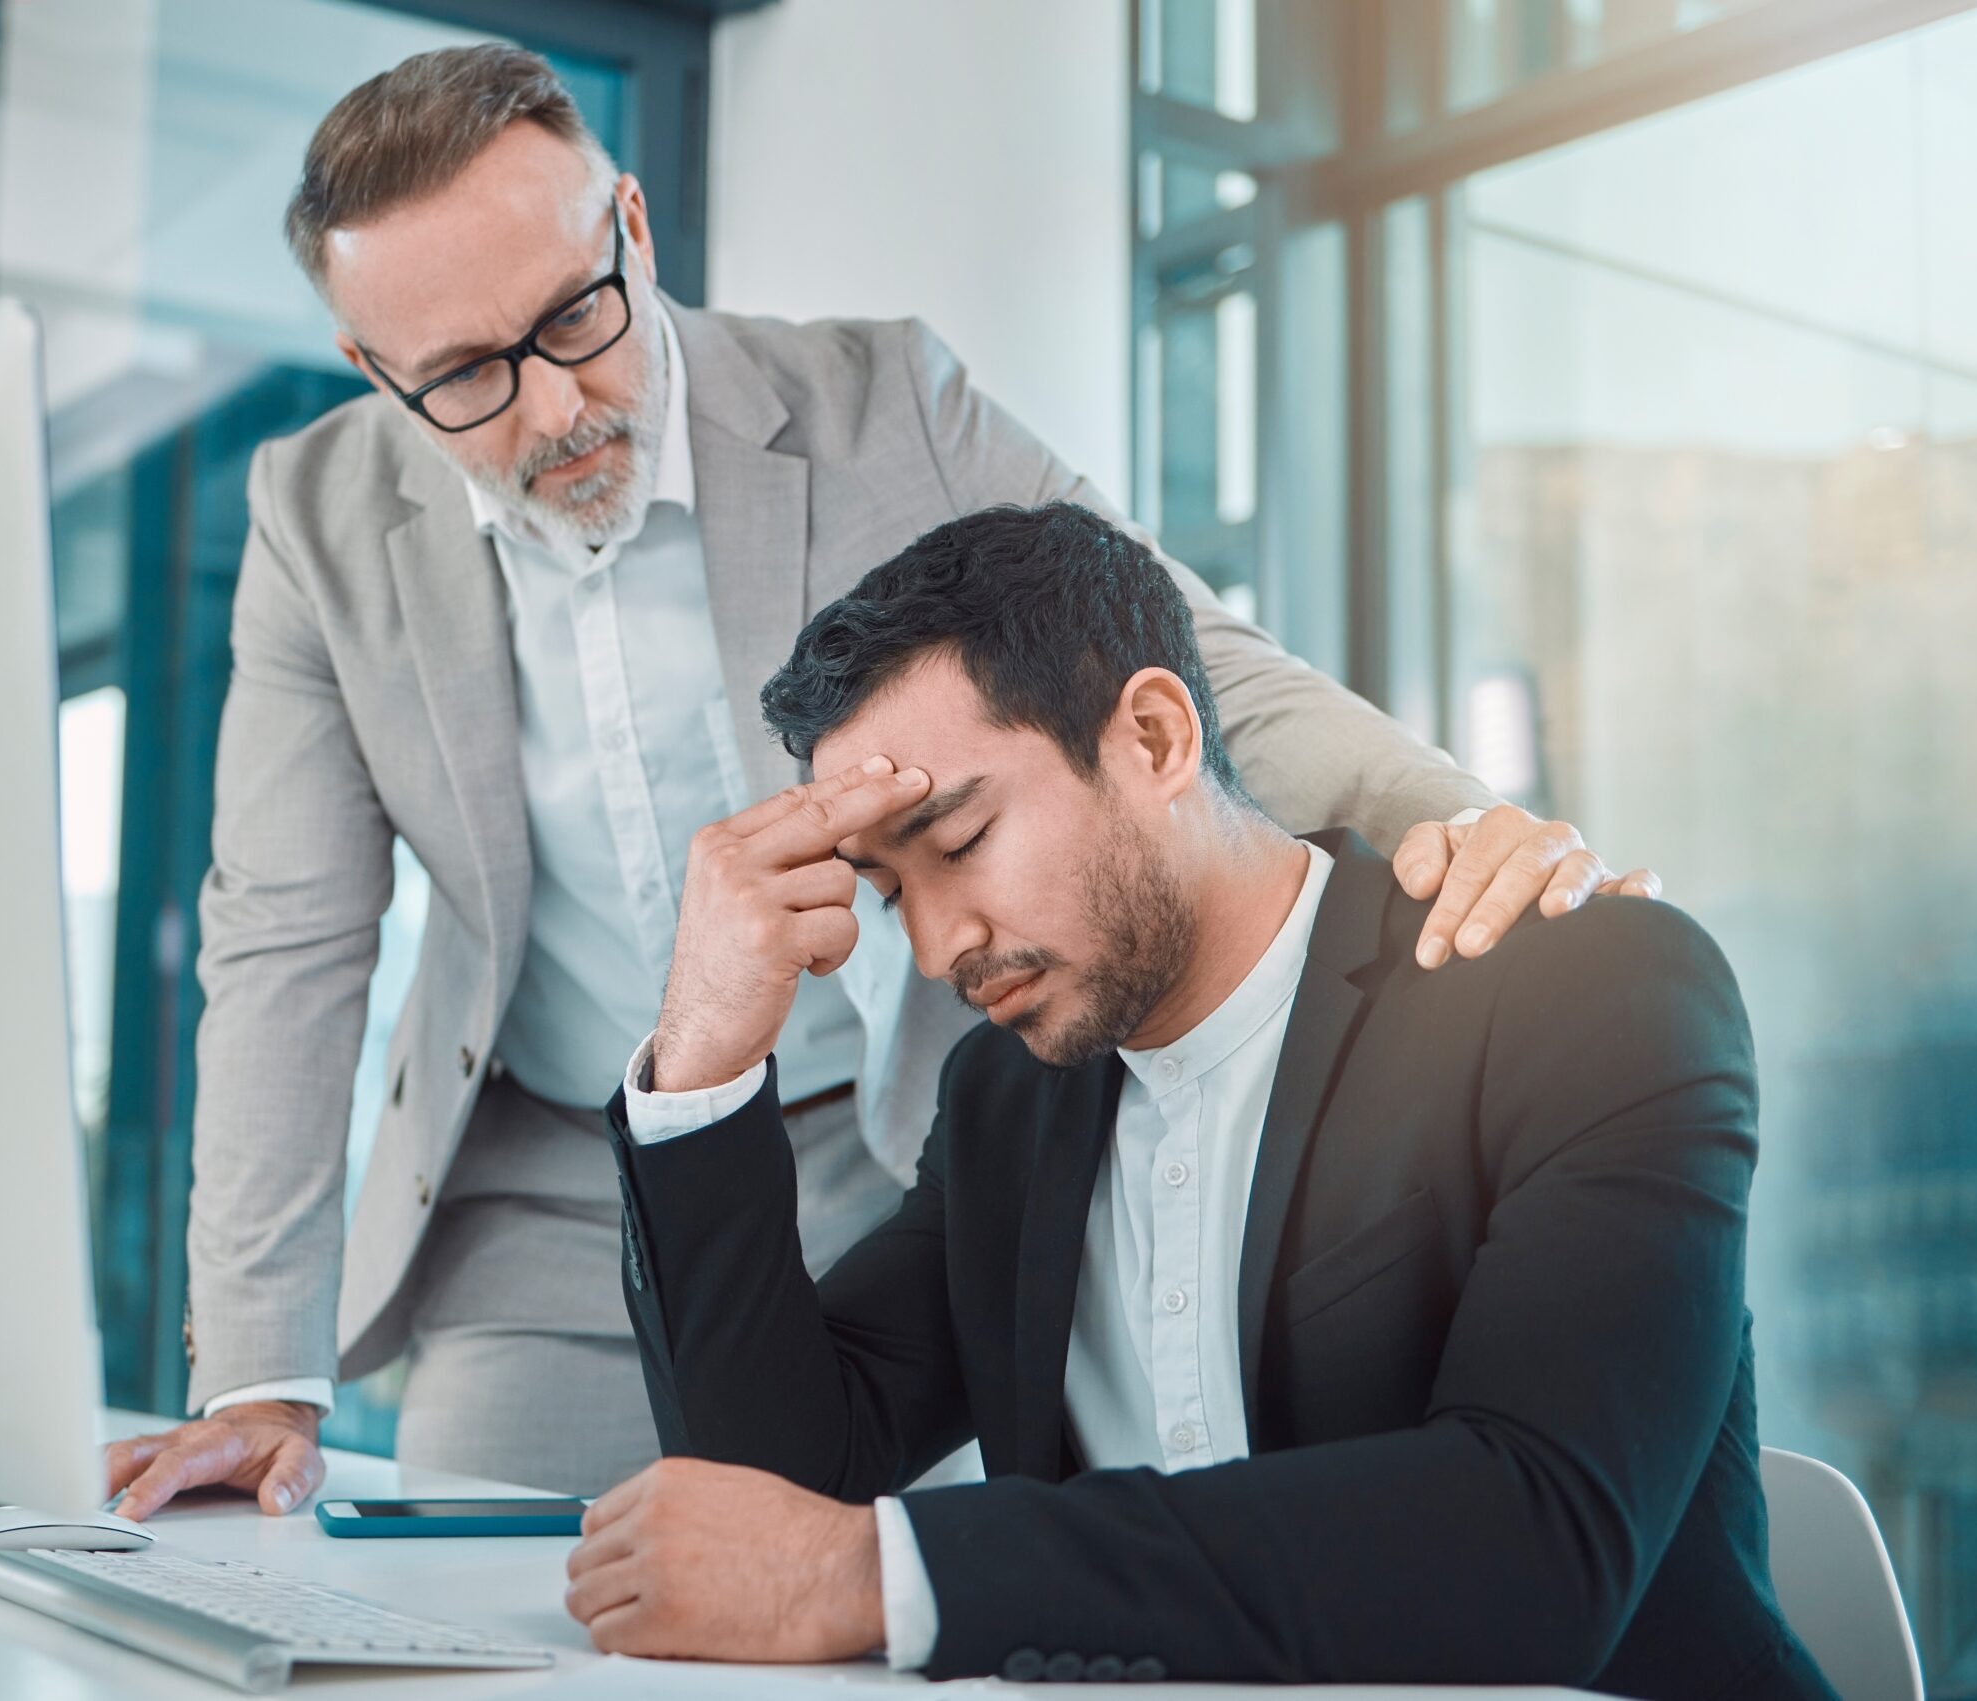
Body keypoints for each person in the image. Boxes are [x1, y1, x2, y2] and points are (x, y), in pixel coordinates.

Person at [104, 44, 1659, 1517]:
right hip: (558, 1171)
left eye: (576, 317)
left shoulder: (883, 404)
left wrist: (1450, 820)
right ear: (372, 370)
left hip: (886, 1127)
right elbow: (285, 940)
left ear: (634, 229)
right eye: (464, 379)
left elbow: (1180, 652)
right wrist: (257, 1374)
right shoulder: (310, 522)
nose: (555, 409)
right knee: (516, 1611)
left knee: (871, 1593)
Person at [566, 502, 1826, 1698]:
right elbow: (777, 1496)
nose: (942, 943)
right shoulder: (1008, 1094)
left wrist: (878, 1573)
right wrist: (703, 1054)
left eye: (958, 845)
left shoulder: (1580, 986)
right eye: (892, 893)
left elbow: (1535, 1539)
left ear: (1156, 739)